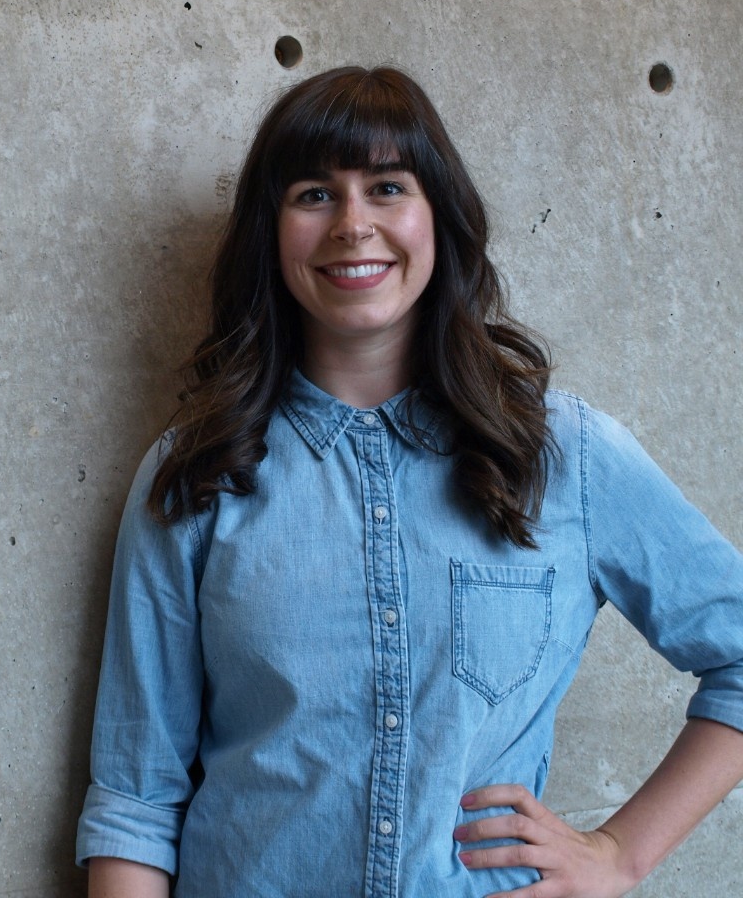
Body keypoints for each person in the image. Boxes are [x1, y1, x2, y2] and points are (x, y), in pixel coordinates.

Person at [75, 66, 743, 897]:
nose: (353, 225)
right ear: (270, 232)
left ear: (440, 218)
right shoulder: (201, 470)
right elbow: (138, 798)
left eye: (388, 187)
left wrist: (621, 854)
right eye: (313, 194)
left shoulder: (565, 455)